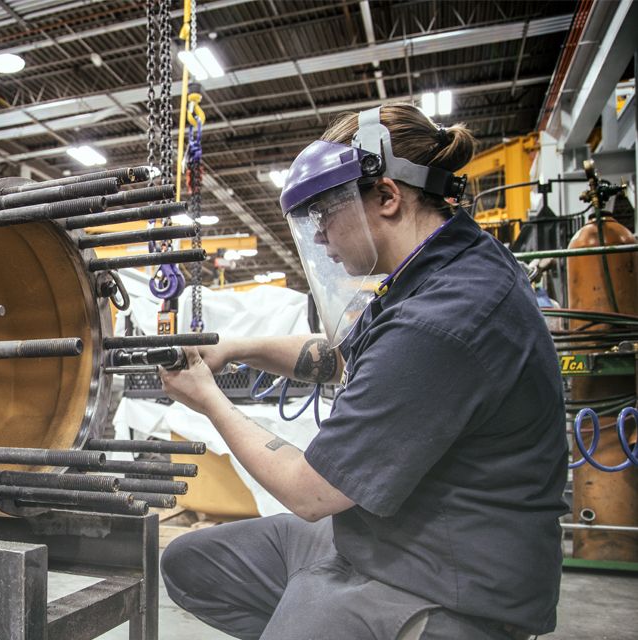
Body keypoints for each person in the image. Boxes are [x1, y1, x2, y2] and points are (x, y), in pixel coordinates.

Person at [157, 104, 568, 640]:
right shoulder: (436, 269)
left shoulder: (446, 317)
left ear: (388, 197)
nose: (321, 238)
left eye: (324, 215)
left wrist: (210, 400)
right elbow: (344, 356)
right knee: (193, 562)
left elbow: (312, 494)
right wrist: (234, 348)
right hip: (384, 535)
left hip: (449, 577)